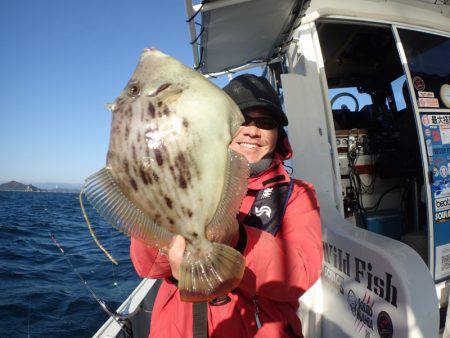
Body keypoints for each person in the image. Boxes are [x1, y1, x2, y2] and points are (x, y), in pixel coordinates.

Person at [130, 74, 323, 338]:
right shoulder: (187, 179)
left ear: (279, 134)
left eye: (265, 123)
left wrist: (238, 237)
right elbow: (148, 267)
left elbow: (300, 275)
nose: (252, 130)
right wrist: (157, 206)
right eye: (241, 119)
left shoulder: (296, 194)